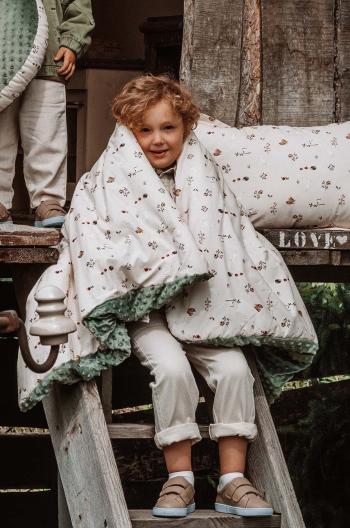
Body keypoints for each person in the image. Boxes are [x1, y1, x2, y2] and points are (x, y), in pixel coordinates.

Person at [111, 75, 273, 518]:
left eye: (167, 128)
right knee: (172, 370)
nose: (157, 140)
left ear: (185, 128)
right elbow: (96, 236)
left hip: (204, 306)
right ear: (128, 134)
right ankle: (179, 479)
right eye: (144, 130)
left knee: (236, 369)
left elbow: (227, 232)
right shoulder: (113, 179)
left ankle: (232, 481)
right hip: (149, 312)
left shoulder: (204, 180)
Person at [0, 0, 95, 227]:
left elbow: (78, 7)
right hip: (3, 62)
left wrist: (72, 43)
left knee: (46, 134)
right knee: (1, 136)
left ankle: (47, 199)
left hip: (49, 61)